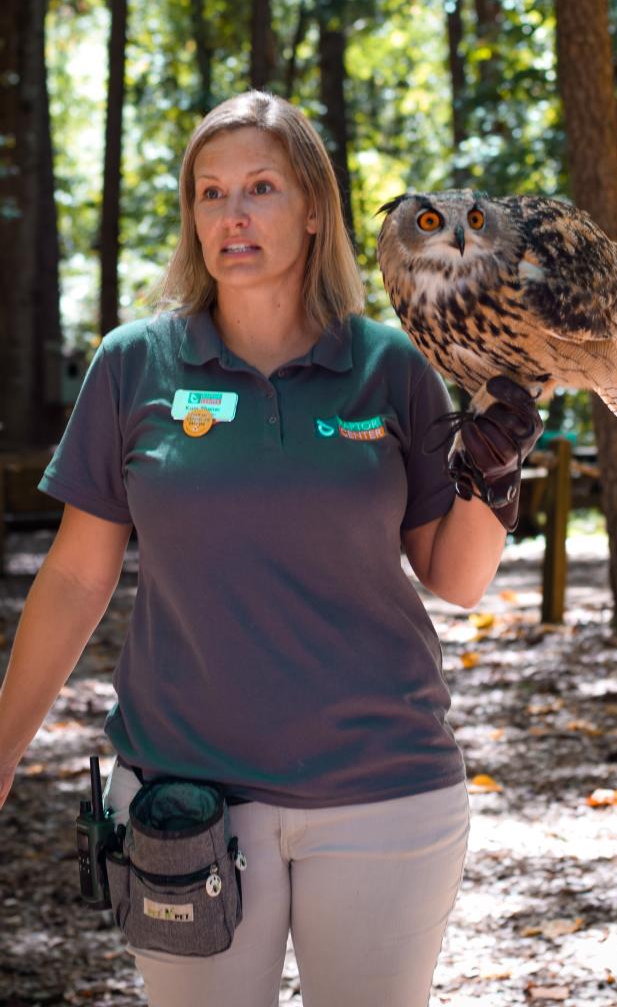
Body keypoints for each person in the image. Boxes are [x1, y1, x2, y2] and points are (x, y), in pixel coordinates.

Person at [0, 91, 542, 1007]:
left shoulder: (392, 365)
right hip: (185, 797)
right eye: (210, 194)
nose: (233, 214)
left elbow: (453, 578)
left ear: (315, 209)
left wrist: (494, 474)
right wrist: (3, 747)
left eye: (259, 187)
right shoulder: (135, 364)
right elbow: (77, 575)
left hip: (384, 787)